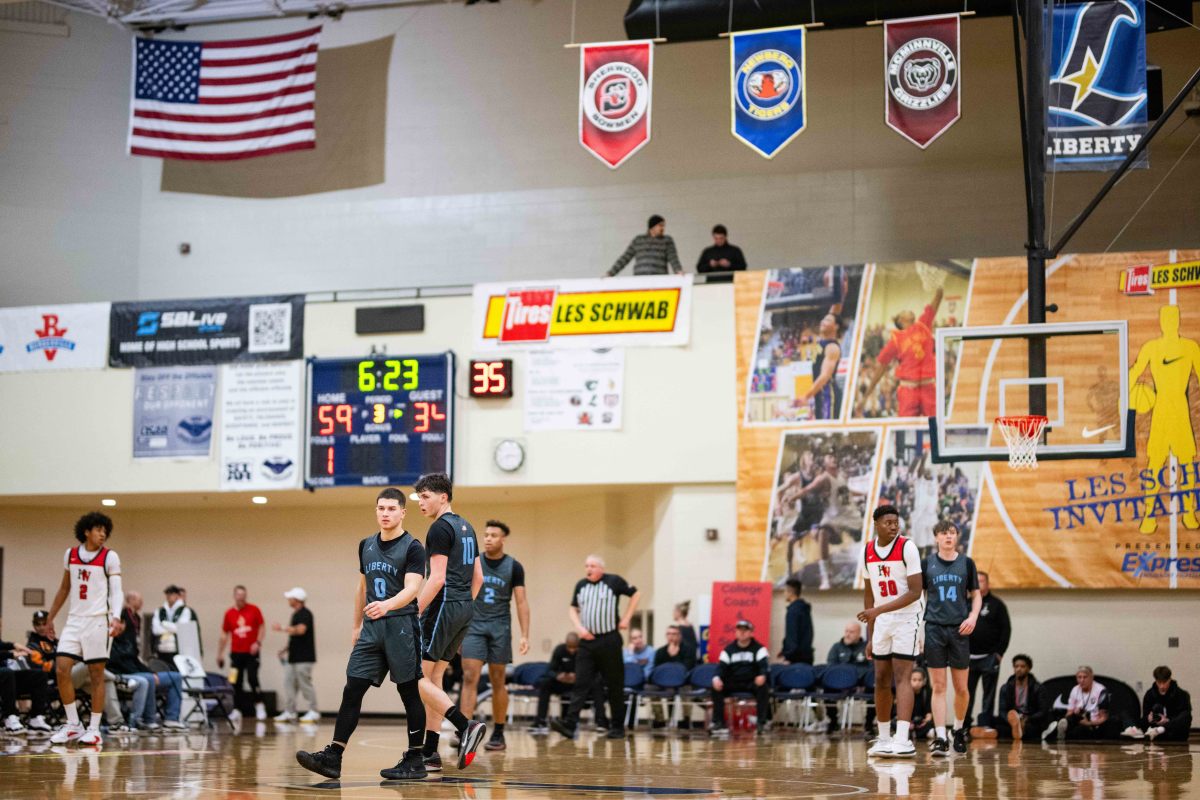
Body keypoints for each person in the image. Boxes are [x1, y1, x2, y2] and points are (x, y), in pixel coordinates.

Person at [295, 488, 430, 781]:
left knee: (408, 691)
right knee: (352, 688)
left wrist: (387, 606)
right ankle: (334, 756)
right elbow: (361, 588)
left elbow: (413, 589)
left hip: (401, 625)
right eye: (381, 508)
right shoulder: (366, 545)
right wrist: (356, 625)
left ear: (403, 512)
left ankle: (416, 758)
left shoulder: (413, 548)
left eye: (392, 509)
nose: (385, 513)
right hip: (371, 629)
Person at [412, 473, 487, 771]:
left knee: (413, 676)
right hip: (464, 606)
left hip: (443, 605)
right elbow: (479, 577)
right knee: (435, 678)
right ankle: (431, 752)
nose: (420, 502)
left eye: (426, 496)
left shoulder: (439, 529)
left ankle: (464, 726)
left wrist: (414, 610)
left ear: (444, 497)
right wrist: (462, 604)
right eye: (419, 497)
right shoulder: (466, 526)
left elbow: (437, 577)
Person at [45, 511, 124, 746]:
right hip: (74, 620)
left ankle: (94, 728)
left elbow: (117, 590)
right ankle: (73, 724)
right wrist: (50, 618)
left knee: (96, 674)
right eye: (99, 529)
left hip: (99, 620)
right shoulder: (70, 554)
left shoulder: (110, 557)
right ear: (86, 531)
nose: (103, 534)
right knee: (61, 669)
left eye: (105, 531)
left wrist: (117, 617)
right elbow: (64, 589)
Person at [857, 504, 924, 758]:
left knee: (902, 675)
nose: (894, 526)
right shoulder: (866, 551)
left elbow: (916, 592)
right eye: (888, 522)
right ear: (876, 524)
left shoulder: (907, 547)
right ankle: (884, 738)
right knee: (881, 678)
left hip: (907, 616)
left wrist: (877, 611)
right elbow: (869, 594)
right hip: (882, 619)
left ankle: (903, 739)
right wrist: (871, 635)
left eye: (896, 521)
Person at [458, 519, 530, 752]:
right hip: (475, 626)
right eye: (486, 534)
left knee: (498, 680)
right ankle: (465, 731)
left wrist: (524, 635)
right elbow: (463, 595)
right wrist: (457, 630)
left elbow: (521, 602)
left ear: (503, 539)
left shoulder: (514, 567)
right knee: (470, 677)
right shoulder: (474, 562)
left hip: (500, 627)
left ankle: (498, 732)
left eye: (493, 535)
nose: (488, 538)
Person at [551, 555, 641, 740]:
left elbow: (636, 594)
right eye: (586, 566)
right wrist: (579, 627)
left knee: (614, 684)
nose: (588, 569)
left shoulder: (613, 581)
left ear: (601, 568)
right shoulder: (581, 585)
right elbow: (572, 608)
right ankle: (570, 724)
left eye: (592, 566)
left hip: (609, 640)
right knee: (581, 683)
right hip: (587, 642)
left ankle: (617, 726)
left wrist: (626, 618)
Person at [1128, 305, 1200, 533]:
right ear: (1160, 321)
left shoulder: (1190, 347)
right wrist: (1126, 394)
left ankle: (1189, 513)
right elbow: (1134, 371)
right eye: (1165, 318)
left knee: (1187, 463)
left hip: (1180, 409)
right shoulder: (1152, 347)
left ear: (1178, 321)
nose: (1169, 322)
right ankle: (1149, 516)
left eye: (1173, 318)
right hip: (1160, 410)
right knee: (1155, 463)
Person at [922, 520, 981, 756]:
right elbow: (919, 598)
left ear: (957, 537)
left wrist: (973, 617)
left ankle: (957, 730)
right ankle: (939, 736)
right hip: (934, 628)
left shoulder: (966, 563)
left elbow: (976, 595)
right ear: (936, 537)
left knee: (961, 687)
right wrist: (919, 630)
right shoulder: (927, 564)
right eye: (944, 533)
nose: (948, 537)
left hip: (959, 630)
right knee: (938, 686)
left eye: (952, 533)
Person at [857, 287, 943, 417]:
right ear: (901, 321)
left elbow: (935, 304)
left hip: (928, 387)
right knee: (903, 430)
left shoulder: (923, 324)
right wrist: (866, 395)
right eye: (905, 311)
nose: (910, 310)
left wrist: (939, 290)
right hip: (908, 389)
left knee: (936, 428)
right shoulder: (896, 340)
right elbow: (880, 369)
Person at [110, 591, 185, 731]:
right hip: (125, 674)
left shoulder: (130, 639)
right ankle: (149, 719)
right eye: (118, 623)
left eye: (122, 624)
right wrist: (149, 673)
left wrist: (150, 671)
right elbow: (121, 664)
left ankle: (171, 719)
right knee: (149, 679)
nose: (120, 626)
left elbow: (134, 660)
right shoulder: (110, 643)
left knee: (176, 677)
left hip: (138, 670)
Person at [531, 632, 608, 733]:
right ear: (565, 644)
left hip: (581, 684)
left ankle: (601, 721)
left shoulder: (585, 652)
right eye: (569, 647)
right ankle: (540, 721)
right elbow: (550, 670)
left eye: (574, 647)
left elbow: (595, 671)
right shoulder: (560, 650)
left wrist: (579, 677)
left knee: (596, 685)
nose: (572, 650)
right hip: (564, 683)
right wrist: (558, 675)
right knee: (545, 684)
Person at [966, 571, 1011, 730]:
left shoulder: (997, 605)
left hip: (989, 657)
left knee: (988, 694)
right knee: (965, 693)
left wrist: (999, 653)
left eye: (982, 581)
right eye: (975, 581)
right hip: (968, 658)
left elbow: (1006, 630)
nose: (978, 584)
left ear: (988, 583)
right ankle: (964, 725)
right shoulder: (965, 603)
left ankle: (985, 724)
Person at [709, 620, 770, 735]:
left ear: (751, 633)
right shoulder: (728, 650)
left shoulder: (759, 649)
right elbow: (721, 667)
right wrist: (716, 678)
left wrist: (762, 675)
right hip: (734, 682)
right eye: (739, 630)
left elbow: (764, 666)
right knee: (716, 687)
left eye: (745, 630)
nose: (742, 633)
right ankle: (719, 722)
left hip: (752, 681)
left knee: (763, 688)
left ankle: (761, 722)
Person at [217, 585, 266, 722]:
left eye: (243, 594)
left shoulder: (254, 610)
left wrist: (258, 642)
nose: (241, 597)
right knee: (234, 681)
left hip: (251, 653)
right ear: (234, 596)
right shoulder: (229, 613)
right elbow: (224, 635)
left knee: (252, 678)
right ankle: (236, 709)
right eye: (239, 594)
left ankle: (259, 704)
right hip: (236, 653)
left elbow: (262, 626)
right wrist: (220, 653)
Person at [272, 587, 319, 723]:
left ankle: (313, 711)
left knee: (305, 684)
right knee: (289, 683)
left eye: (290, 597)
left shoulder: (305, 614)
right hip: (293, 657)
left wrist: (281, 628)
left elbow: (301, 630)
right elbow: (294, 635)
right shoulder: (295, 614)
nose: (288, 600)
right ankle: (290, 711)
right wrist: (286, 649)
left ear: (297, 599)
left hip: (304, 658)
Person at [1045, 666, 1118, 741]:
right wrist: (1075, 714)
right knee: (1071, 720)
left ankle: (1060, 730)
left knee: (1081, 731)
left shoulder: (1101, 690)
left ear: (1091, 677)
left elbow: (1103, 717)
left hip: (1094, 723)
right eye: (1079, 677)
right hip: (1079, 720)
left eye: (1085, 677)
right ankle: (1060, 728)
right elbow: (1069, 713)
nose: (1082, 680)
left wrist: (1089, 723)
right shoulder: (1075, 689)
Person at [1122, 665, 1192, 742]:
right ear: (1155, 680)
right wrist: (1149, 719)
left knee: (1186, 715)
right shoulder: (1150, 694)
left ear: (1170, 679)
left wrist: (1167, 721)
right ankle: (1133, 730)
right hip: (1153, 730)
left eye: (1164, 682)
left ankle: (1161, 729)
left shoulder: (1182, 694)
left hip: (1173, 731)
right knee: (1126, 713)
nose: (1162, 686)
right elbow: (1145, 716)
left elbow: (1183, 718)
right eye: (1159, 682)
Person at [606, 215, 684, 277]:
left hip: (659, 281)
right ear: (652, 227)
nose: (663, 228)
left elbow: (673, 258)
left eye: (663, 226)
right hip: (640, 281)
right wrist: (610, 274)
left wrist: (678, 271)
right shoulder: (638, 240)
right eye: (660, 225)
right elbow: (625, 258)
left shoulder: (667, 240)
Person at [651, 624, 697, 729]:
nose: (671, 637)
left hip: (683, 682)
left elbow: (686, 669)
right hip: (663, 683)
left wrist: (674, 656)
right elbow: (657, 670)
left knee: (687, 689)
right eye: (669, 634)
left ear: (679, 635)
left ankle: (686, 719)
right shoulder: (660, 651)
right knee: (651, 688)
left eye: (674, 634)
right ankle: (660, 719)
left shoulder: (688, 650)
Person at [800, 314, 844, 422]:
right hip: (819, 394)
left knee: (828, 432)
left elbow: (825, 376)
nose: (823, 321)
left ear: (836, 326)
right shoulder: (821, 341)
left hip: (828, 394)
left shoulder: (832, 347)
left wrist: (806, 396)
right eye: (823, 319)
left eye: (828, 320)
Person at [997, 654, 1044, 742]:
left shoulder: (1037, 687)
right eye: (1016, 666)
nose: (1019, 669)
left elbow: (1042, 711)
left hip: (1029, 719)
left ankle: (1019, 732)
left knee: (1034, 729)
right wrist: (1012, 721)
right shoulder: (1005, 687)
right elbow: (1002, 711)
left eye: (1022, 666)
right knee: (992, 722)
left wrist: (1027, 719)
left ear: (1029, 669)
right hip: (1012, 720)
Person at [151, 585, 196, 660]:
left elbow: (180, 628)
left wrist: (163, 624)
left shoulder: (185, 610)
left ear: (177, 596)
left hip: (178, 649)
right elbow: (156, 630)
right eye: (167, 594)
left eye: (172, 594)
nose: (169, 596)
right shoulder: (159, 611)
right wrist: (172, 628)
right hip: (162, 649)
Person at [780, 578, 814, 664]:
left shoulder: (793, 611)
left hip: (795, 659)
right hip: (806, 656)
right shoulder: (804, 609)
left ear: (790, 592)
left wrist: (788, 656)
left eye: (785, 591)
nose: (784, 594)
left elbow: (792, 635)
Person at [909, 669, 934, 741]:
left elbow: (929, 713)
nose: (917, 682)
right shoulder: (907, 692)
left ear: (924, 681)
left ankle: (915, 734)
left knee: (930, 727)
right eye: (914, 680)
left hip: (922, 722)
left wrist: (925, 721)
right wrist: (909, 723)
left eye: (920, 680)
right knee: (894, 723)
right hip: (909, 722)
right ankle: (916, 734)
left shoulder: (927, 692)